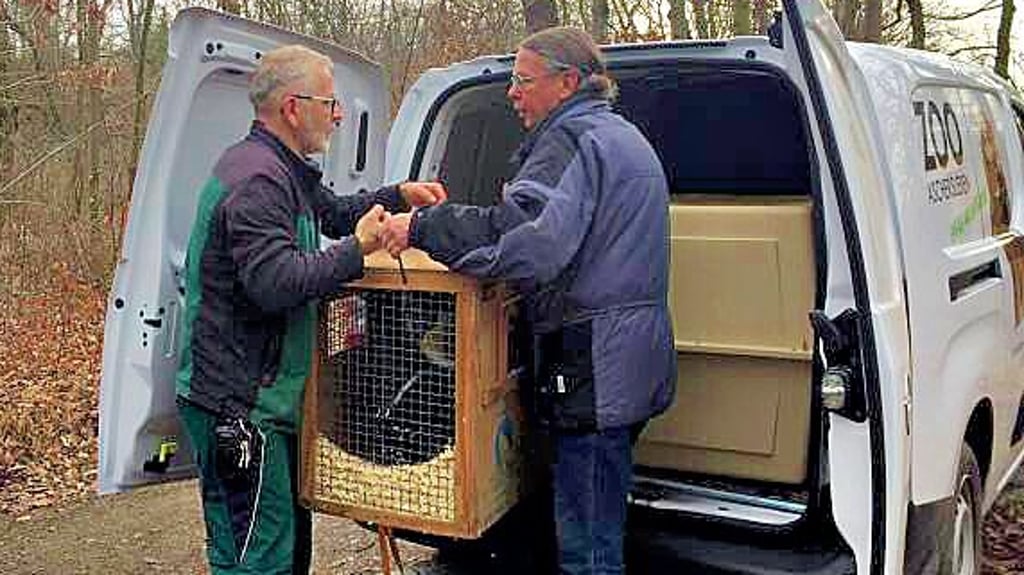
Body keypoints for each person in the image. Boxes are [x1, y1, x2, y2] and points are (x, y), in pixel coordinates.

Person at [381, 27, 675, 575]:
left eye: (523, 80)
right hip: (630, 359)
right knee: (598, 512)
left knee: (588, 544)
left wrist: (421, 227)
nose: (512, 93)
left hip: (594, 363)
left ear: (567, 82)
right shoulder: (621, 134)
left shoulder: (569, 141)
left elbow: (523, 240)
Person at [174, 44, 445, 574]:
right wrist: (359, 249)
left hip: (266, 400)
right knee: (255, 557)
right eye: (330, 103)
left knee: (284, 547)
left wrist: (398, 196)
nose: (338, 115)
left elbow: (336, 212)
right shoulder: (257, 180)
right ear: (293, 109)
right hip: (238, 404)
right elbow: (276, 284)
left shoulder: (282, 168)